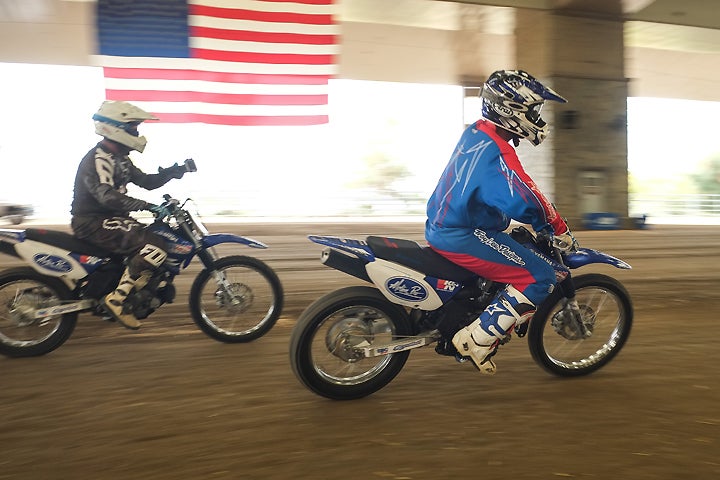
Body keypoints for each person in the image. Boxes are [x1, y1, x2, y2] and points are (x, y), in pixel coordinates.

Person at [425, 69, 578, 374]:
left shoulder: (478, 132)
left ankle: (472, 313)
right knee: (540, 277)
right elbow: (527, 198)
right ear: (512, 110)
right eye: (533, 110)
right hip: (465, 232)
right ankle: (477, 341)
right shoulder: (499, 154)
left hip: (446, 224)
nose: (537, 117)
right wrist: (557, 227)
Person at [71, 100, 192, 330]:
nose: (137, 133)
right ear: (115, 128)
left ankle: (128, 288)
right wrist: (146, 206)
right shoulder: (100, 158)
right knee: (155, 245)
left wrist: (173, 172)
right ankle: (116, 300)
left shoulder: (120, 158)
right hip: (93, 222)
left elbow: (145, 181)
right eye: (133, 128)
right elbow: (106, 196)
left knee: (151, 236)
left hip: (110, 220)